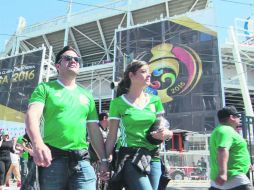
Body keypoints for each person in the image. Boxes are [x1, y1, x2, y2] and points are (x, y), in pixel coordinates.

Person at [25, 46, 109, 190]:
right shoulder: (45, 88)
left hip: (82, 160)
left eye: (76, 59)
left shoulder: (87, 95)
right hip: (53, 159)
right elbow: (32, 115)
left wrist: (103, 159)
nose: (73, 61)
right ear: (58, 66)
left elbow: (94, 131)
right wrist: (38, 143)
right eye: (68, 58)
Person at [105, 60, 173, 190]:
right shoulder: (117, 103)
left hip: (154, 156)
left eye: (149, 72)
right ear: (131, 75)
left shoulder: (155, 100)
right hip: (130, 156)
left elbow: (163, 127)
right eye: (143, 72)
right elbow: (112, 135)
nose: (149, 75)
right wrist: (104, 162)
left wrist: (167, 134)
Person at [209, 106, 252, 190]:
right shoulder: (226, 130)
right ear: (232, 117)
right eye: (238, 116)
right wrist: (222, 173)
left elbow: (233, 150)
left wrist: (246, 164)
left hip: (226, 180)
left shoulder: (220, 130)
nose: (239, 118)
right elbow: (222, 150)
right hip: (234, 178)